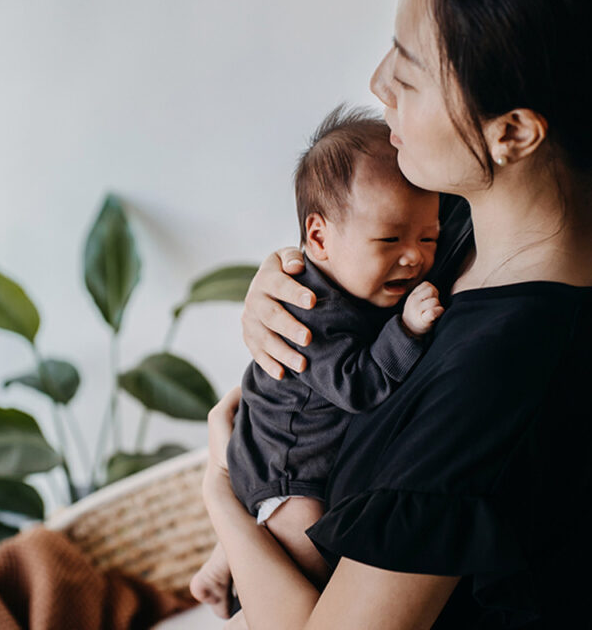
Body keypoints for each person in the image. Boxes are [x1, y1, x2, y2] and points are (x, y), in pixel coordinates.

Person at [201, 0, 592, 628]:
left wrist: (221, 494)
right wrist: (289, 279)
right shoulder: (505, 220)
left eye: (410, 70)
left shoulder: (494, 376)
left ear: (514, 132)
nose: (378, 82)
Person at [190, 106, 443, 618]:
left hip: (277, 451)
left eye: (429, 237)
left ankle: (220, 568)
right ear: (320, 238)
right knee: (303, 554)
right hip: (287, 466)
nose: (414, 257)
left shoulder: (356, 279)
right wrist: (407, 329)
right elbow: (356, 385)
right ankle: (238, 583)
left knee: (265, 528)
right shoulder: (313, 313)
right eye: (390, 240)